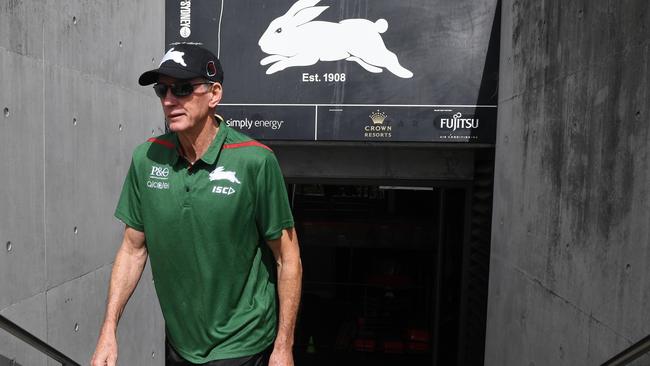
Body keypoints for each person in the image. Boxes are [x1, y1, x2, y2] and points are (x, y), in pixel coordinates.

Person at [91, 44, 302, 366]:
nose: (168, 100)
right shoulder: (146, 158)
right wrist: (108, 330)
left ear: (214, 93)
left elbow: (287, 258)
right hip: (180, 344)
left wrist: (283, 347)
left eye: (183, 89)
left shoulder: (255, 161)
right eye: (162, 89)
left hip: (243, 344)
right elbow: (132, 250)